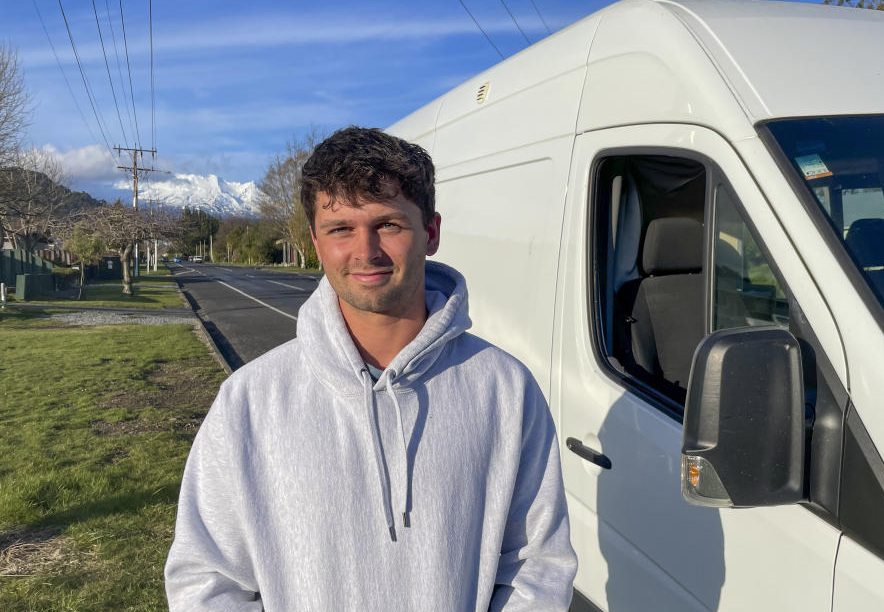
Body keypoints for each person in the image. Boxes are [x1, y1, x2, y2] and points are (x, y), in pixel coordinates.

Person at [164, 126, 577, 611]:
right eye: (341, 228)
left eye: (388, 224)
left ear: (431, 232)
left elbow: (537, 566)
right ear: (316, 243)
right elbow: (206, 581)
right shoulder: (250, 400)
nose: (366, 250)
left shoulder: (506, 389)